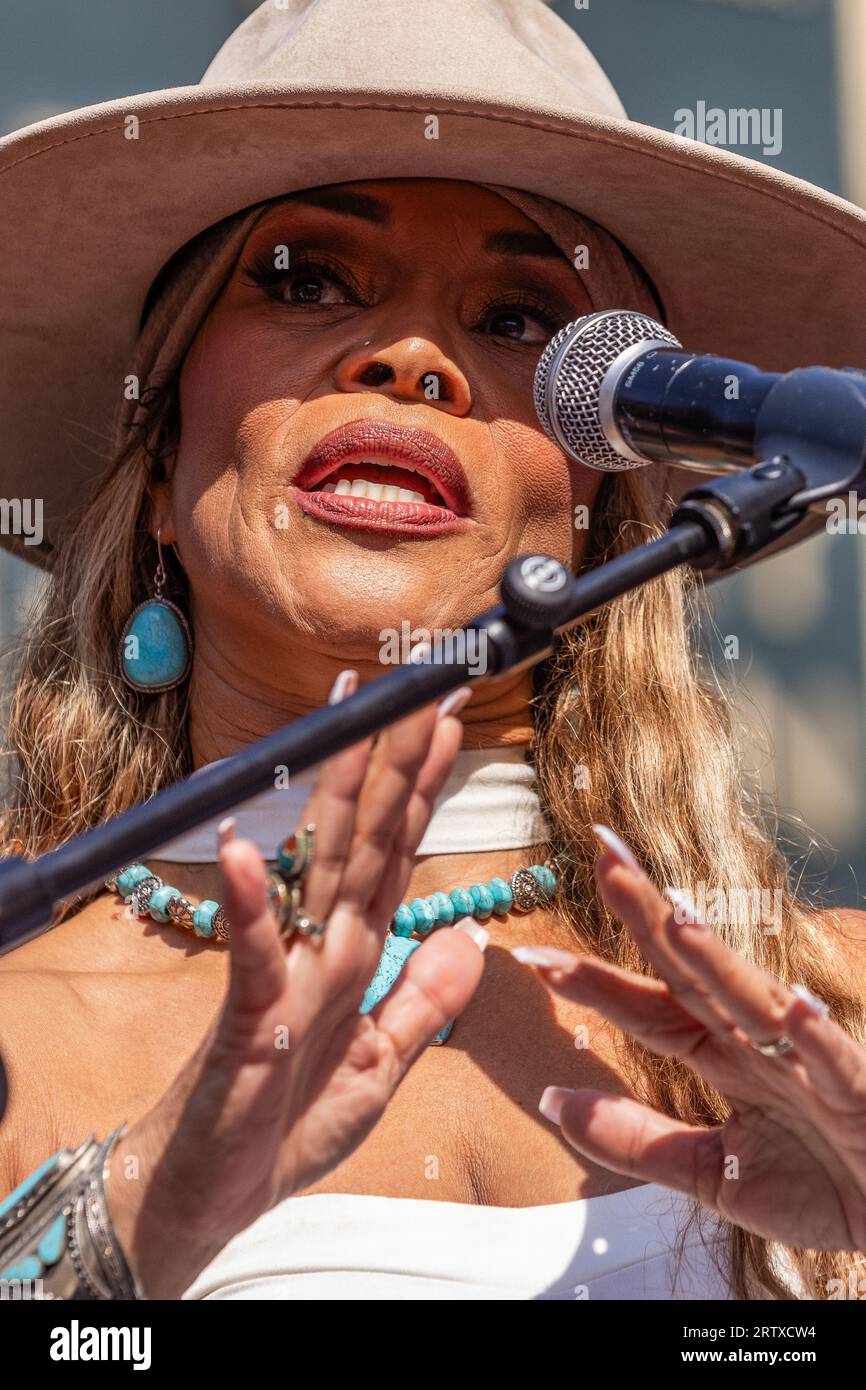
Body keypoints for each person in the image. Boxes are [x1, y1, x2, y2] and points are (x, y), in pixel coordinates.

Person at [1, 0, 866, 1302]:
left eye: (521, 319)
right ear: (163, 463)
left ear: (602, 505)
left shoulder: (829, 1009)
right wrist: (133, 1226)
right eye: (304, 278)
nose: (411, 359)